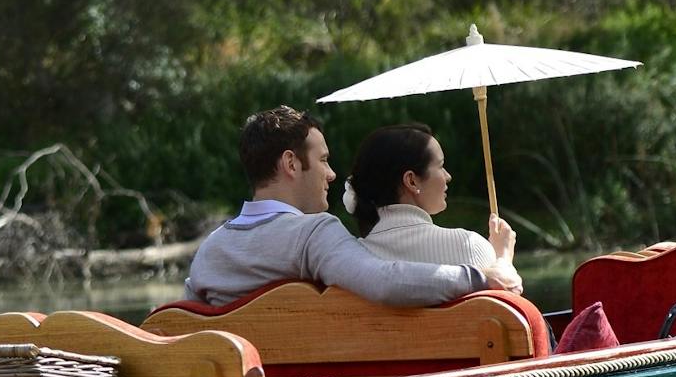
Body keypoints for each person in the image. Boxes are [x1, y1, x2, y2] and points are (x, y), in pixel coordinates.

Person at [184, 107, 487, 307]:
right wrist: (481, 276)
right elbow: (385, 282)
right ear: (291, 163)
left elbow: (176, 323)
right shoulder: (313, 234)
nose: (331, 174)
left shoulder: (210, 249)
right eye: (323, 160)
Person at [344, 123, 523, 293]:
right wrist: (503, 258)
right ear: (411, 181)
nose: (448, 176)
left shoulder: (355, 262)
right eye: (441, 166)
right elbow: (508, 317)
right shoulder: (469, 247)